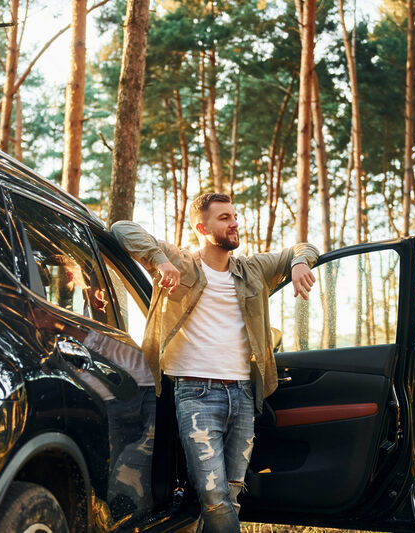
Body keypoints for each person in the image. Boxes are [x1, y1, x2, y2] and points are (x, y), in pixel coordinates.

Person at [110, 193, 318, 533]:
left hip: (243, 396)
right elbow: (121, 229)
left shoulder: (253, 270)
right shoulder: (181, 262)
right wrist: (159, 260)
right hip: (195, 394)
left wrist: (298, 263)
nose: (235, 222)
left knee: (230, 496)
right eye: (224, 218)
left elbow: (304, 247)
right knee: (214, 494)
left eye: (234, 216)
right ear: (201, 228)